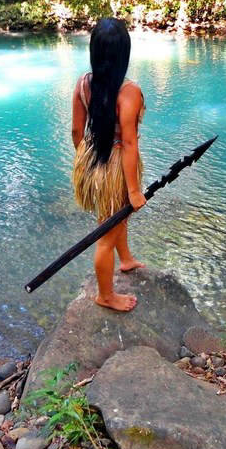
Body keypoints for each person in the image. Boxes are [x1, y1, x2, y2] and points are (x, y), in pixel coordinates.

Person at [71, 18, 146, 311]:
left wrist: (87, 165)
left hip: (91, 157)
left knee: (115, 216)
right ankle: (105, 295)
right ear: (123, 53)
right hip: (116, 162)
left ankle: (125, 259)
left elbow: (77, 131)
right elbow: (128, 143)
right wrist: (134, 189)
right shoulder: (129, 91)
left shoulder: (83, 84)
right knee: (106, 233)